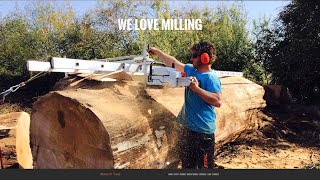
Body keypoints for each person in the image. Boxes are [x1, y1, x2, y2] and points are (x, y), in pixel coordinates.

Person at [148, 41, 222, 169]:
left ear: (204, 57)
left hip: (203, 134)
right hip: (187, 130)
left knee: (205, 168)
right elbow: (174, 63)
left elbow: (217, 101)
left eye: (194, 56)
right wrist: (158, 52)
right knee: (187, 167)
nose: (191, 58)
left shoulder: (211, 78)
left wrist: (196, 89)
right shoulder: (192, 70)